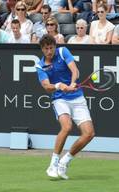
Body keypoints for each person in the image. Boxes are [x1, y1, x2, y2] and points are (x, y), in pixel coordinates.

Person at [35, 34, 95, 180]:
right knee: (67, 127)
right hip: (59, 99)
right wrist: (60, 86)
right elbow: (46, 86)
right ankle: (53, 164)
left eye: (51, 47)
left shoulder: (63, 52)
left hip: (77, 98)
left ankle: (65, 161)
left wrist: (73, 82)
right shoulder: (40, 65)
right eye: (46, 49)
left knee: (89, 134)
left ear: (55, 46)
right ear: (42, 50)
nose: (50, 51)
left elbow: (75, 70)